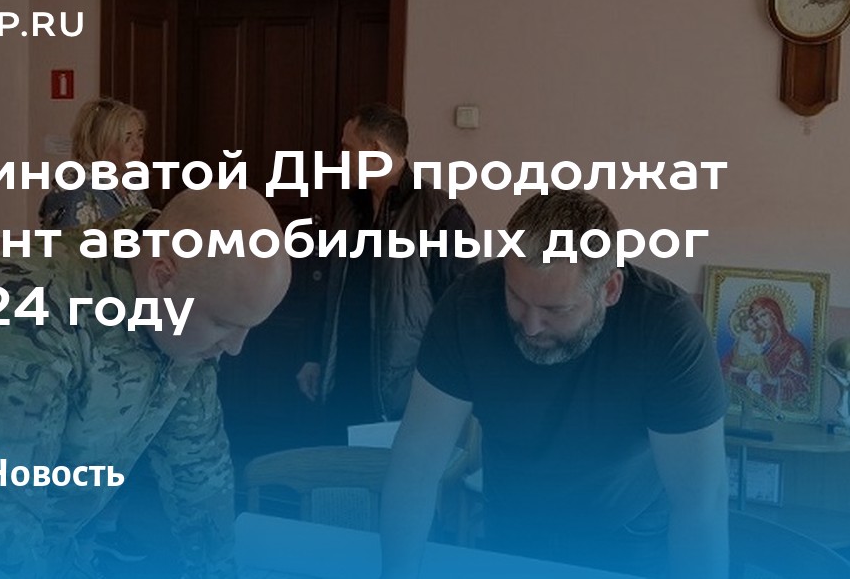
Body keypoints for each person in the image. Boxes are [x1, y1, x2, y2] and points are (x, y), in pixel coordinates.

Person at [0, 187, 290, 579]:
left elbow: (198, 466)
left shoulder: (188, 308)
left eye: (248, 327)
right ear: (162, 277)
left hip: (51, 540)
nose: (235, 349)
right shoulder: (24, 308)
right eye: (224, 324)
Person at [380, 191, 730, 579]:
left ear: (610, 290)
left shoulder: (667, 326)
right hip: (511, 526)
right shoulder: (467, 306)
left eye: (555, 310)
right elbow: (416, 461)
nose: (530, 326)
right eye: (516, 297)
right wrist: (398, 571)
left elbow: (701, 504)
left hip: (627, 535)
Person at [295, 103, 476, 431]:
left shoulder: (443, 215)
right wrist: (313, 356)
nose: (340, 159)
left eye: (347, 149)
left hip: (403, 398)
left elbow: (458, 316)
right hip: (342, 382)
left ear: (374, 151)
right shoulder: (350, 209)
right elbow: (330, 290)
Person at [38, 97, 150, 229]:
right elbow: (69, 241)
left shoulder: (133, 187)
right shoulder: (75, 192)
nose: (137, 146)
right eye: (127, 139)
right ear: (100, 143)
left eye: (140, 136)